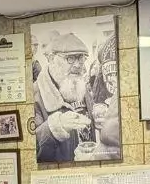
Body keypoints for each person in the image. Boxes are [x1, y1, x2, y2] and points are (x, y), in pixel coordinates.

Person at [34, 32, 117, 162]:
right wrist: (55, 127)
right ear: (51, 59)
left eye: (81, 58)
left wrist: (98, 120)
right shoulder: (36, 96)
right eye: (70, 58)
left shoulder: (79, 85)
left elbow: (87, 117)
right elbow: (30, 151)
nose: (78, 65)